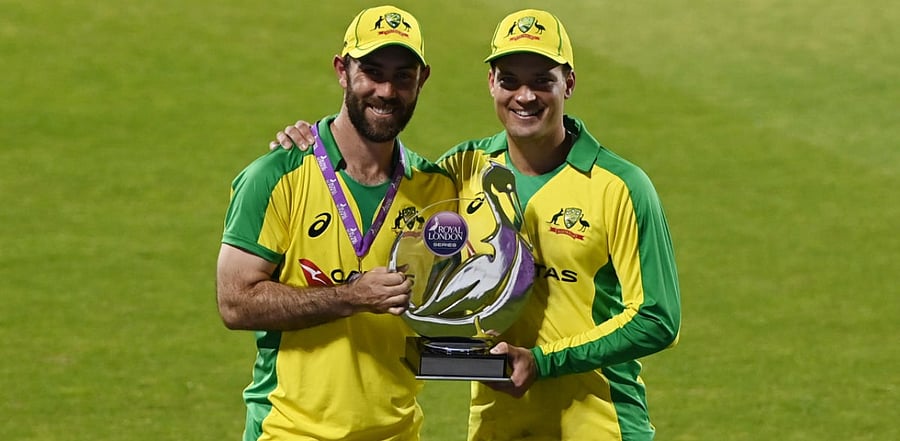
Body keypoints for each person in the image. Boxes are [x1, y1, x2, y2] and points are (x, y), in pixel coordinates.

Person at [270, 8, 681, 441]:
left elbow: (657, 318)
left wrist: (543, 362)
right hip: (495, 427)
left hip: (601, 426)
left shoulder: (621, 186)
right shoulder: (463, 169)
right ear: (491, 83)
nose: (525, 96)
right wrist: (313, 141)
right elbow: (384, 183)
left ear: (569, 84)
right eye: (510, 80)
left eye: (543, 81)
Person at [216, 5, 457, 441]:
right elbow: (234, 302)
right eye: (372, 73)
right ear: (342, 71)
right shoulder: (275, 176)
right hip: (289, 432)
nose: (386, 91)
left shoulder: (436, 191)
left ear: (422, 80)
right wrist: (351, 297)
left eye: (403, 76)